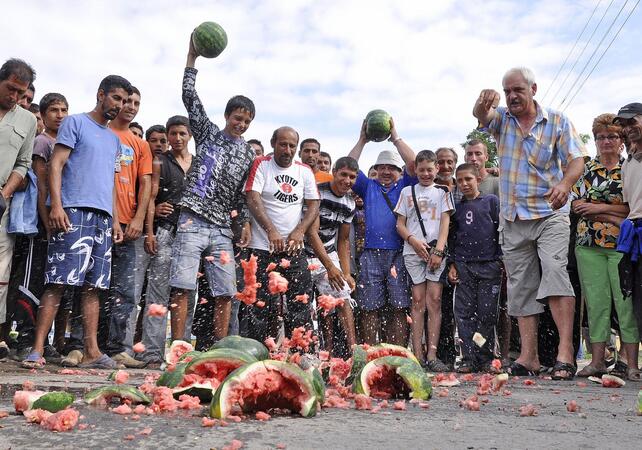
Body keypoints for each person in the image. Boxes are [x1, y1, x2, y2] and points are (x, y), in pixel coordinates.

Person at [473, 66, 586, 380]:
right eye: (507, 91)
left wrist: (565, 184)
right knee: (521, 287)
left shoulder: (558, 121)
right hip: (513, 217)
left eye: (517, 90)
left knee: (554, 273)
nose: (511, 97)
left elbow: (577, 158)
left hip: (550, 212)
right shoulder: (502, 120)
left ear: (533, 89)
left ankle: (565, 354)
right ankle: (529, 356)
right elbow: (480, 115)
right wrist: (482, 103)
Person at [22, 74, 133, 369]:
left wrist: (116, 220)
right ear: (101, 94)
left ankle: (93, 352)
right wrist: (56, 205)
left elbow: (109, 182)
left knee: (93, 287)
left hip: (102, 218)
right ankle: (37, 350)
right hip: (73, 211)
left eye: (124, 101)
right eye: (116, 98)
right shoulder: (75, 123)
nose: (119, 105)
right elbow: (56, 164)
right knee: (57, 282)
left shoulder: (113, 139)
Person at [166, 34, 256, 348]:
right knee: (182, 284)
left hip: (221, 228)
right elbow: (188, 95)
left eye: (246, 121)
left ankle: (220, 348)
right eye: (237, 118)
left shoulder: (248, 155)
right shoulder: (206, 133)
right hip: (192, 218)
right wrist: (192, 58)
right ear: (227, 116)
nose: (241, 124)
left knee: (226, 290)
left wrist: (243, 222)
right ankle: (178, 344)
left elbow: (243, 195)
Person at [572, 112, 639, 380]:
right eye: (601, 136)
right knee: (597, 304)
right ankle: (597, 361)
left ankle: (632, 364)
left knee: (626, 303)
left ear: (621, 139)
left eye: (612, 135)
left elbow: (633, 208)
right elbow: (577, 205)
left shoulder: (630, 167)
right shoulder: (586, 169)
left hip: (622, 246)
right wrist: (613, 212)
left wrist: (598, 209)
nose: (606, 141)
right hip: (588, 244)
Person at [5, 93, 69, 361]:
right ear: (42, 114)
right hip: (40, 224)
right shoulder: (41, 142)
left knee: (51, 283)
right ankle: (22, 336)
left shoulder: (65, 142)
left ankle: (43, 340)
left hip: (59, 222)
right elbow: (42, 187)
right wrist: (46, 223)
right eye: (53, 110)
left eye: (64, 109)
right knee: (29, 280)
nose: (60, 115)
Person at [244, 126, 320, 343]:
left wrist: (299, 230)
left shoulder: (303, 170)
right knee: (259, 306)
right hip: (262, 247)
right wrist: (271, 231)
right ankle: (259, 355)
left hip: (293, 250)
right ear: (273, 143)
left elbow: (313, 205)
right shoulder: (262, 165)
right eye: (283, 144)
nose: (287, 150)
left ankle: (301, 356)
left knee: (300, 304)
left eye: (292, 146)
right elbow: (252, 198)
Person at [348, 118, 417, 345]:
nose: (386, 171)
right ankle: (371, 352)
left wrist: (395, 137)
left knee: (398, 307)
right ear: (375, 170)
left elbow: (414, 162)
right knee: (369, 307)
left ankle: (396, 352)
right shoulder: (369, 186)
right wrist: (362, 140)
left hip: (398, 253)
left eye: (391, 168)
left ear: (399, 171)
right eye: (381, 167)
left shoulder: (406, 185)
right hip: (370, 254)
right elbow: (348, 166)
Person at [138, 116, 193, 366]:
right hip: (165, 232)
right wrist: (149, 231)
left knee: (186, 295)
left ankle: (181, 352)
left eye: (182, 133)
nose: (177, 138)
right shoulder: (160, 160)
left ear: (190, 135)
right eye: (173, 134)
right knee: (157, 294)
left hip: (192, 236)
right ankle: (152, 352)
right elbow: (150, 196)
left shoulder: (199, 163)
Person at [104, 87, 153, 368]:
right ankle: (81, 345)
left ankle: (119, 348)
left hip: (129, 223)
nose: (131, 106)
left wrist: (136, 220)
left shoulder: (140, 144)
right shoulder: (102, 132)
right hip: (100, 220)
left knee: (126, 291)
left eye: (136, 102)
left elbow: (146, 184)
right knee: (92, 286)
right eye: (126, 101)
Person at [395, 150, 453, 370]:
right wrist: (413, 241)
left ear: (436, 169)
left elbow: (445, 222)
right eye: (421, 170)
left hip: (436, 251)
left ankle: (432, 354)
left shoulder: (443, 192)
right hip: (413, 251)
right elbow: (400, 224)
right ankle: (417, 354)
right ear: (415, 170)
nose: (426, 174)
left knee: (435, 300)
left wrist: (439, 250)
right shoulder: (407, 192)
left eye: (430, 169)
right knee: (418, 300)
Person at [447, 163, 502, 373]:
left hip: (489, 265)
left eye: (468, 179)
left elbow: (500, 231)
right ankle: (468, 357)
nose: (464, 184)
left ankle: (486, 356)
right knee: (464, 313)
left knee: (487, 313)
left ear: (478, 179)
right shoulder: (456, 207)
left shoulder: (491, 202)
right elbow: (452, 237)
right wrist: (452, 263)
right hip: (464, 266)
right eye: (460, 180)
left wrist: (500, 259)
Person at [0, 59, 37, 346]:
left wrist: (5, 194)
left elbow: (23, 163)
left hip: (1, 202)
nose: (14, 97)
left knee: (1, 271)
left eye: (20, 92)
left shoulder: (27, 120)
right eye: (10, 89)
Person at [306, 156, 359, 355]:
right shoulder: (318, 193)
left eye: (352, 177)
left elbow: (343, 240)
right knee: (303, 303)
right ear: (334, 172)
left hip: (329, 252)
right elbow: (311, 233)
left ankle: (352, 350)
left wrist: (345, 272)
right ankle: (307, 351)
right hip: (304, 253)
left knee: (342, 297)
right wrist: (330, 267)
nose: (347, 180)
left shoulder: (350, 203)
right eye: (343, 174)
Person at [614, 102, 642, 348]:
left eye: (633, 121)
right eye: (624, 124)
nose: (628, 128)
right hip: (635, 236)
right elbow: (628, 207)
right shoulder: (627, 164)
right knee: (638, 303)